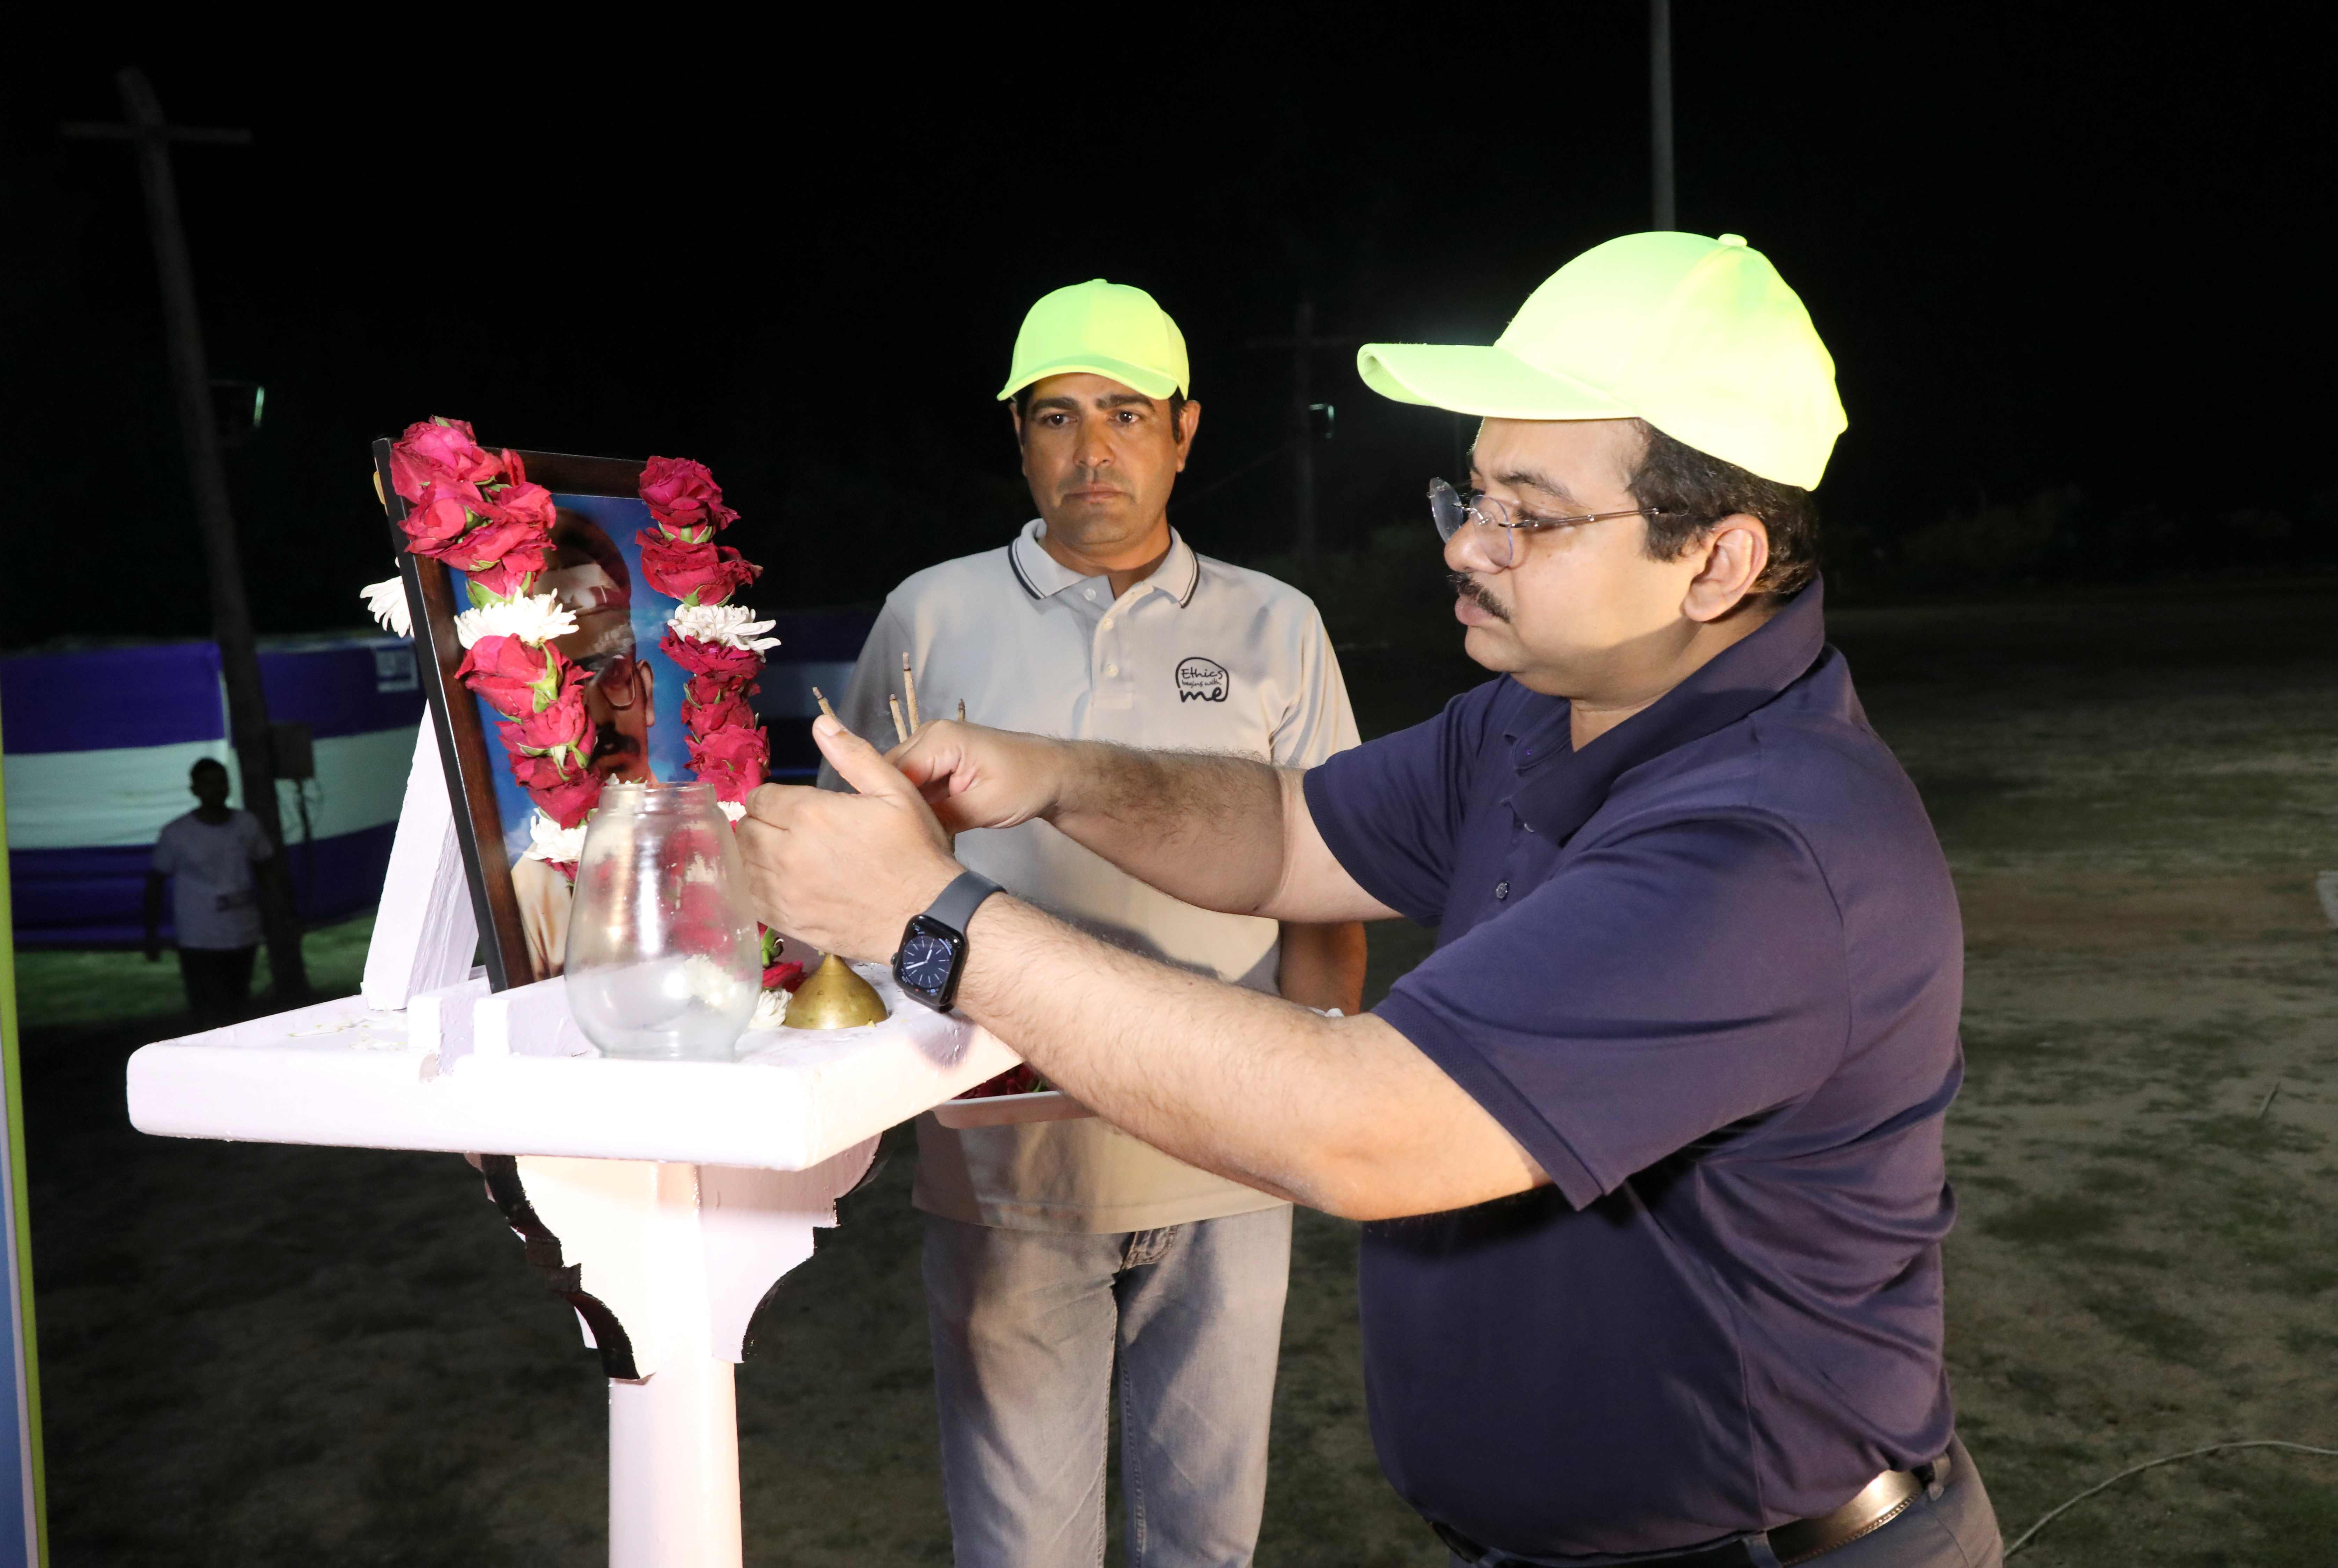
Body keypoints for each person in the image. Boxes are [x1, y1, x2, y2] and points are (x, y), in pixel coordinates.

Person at [743, 233, 2004, 1566]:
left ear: (1714, 562)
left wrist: (930, 921)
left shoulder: (1758, 844)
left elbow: (1363, 1127)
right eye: (1467, 495)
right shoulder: (1536, 717)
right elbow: (1288, 826)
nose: (1468, 546)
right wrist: (1049, 773)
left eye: (1530, 513)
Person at [820, 277, 1368, 1568]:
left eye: (1125, 411)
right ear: (1018, 437)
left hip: (1225, 1159)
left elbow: (1328, 888)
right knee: (1021, 1553)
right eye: (1056, 416)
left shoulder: (1274, 627)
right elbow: (872, 875)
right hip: (1005, 1173)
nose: (1093, 448)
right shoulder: (929, 617)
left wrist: (1311, 1095)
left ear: (1184, 427)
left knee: (1204, 1545)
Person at [509, 509, 658, 975]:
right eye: (562, 692)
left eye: (611, 670)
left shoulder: (725, 834)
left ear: (646, 691)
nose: (592, 718)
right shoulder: (532, 891)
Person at [145, 757, 278, 1027]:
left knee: (238, 1003)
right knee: (208, 1009)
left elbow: (266, 870)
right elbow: (156, 883)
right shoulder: (177, 834)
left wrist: (274, 915)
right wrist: (152, 934)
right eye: (208, 784)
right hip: (199, 938)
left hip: (243, 932)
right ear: (195, 790)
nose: (216, 789)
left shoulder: (247, 825)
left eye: (221, 782)